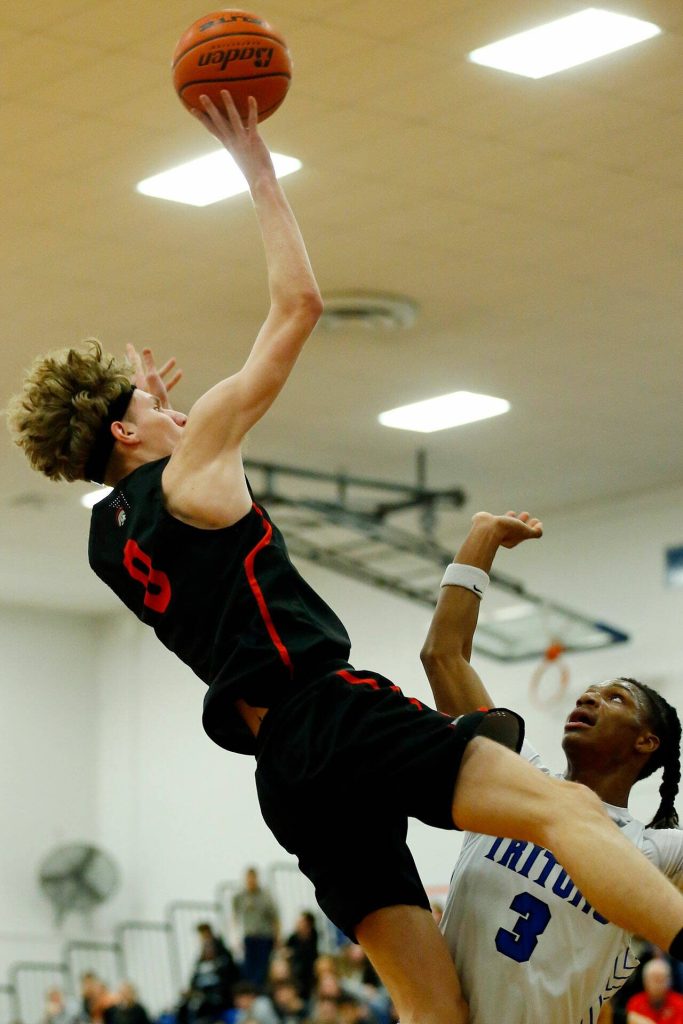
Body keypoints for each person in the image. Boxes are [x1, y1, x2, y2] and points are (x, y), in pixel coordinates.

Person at [8, 89, 683, 1024]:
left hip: (284, 772)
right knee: (566, 815)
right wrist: (253, 165)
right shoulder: (191, 460)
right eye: (153, 405)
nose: (179, 404)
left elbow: (158, 479)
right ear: (125, 429)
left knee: (432, 1013)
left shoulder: (105, 538)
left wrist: (152, 417)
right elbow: (300, 305)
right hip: (334, 712)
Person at [420, 509, 683, 1024]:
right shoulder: (511, 777)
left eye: (614, 699)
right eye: (591, 691)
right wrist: (483, 538)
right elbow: (444, 657)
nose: (589, 696)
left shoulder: (653, 849)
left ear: (646, 742)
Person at [233, 867, 280, 988]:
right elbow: (235, 917)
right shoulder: (240, 897)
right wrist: (236, 937)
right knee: (249, 967)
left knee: (263, 967)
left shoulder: (265, 896)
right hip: (249, 937)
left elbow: (274, 917)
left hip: (264, 936)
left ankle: (260, 989)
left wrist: (278, 937)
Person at [626, 958, 683, 1023]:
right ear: (645, 981)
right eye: (655, 980)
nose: (658, 985)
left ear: (669, 981)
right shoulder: (635, 1003)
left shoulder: (680, 1003)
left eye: (662, 979)